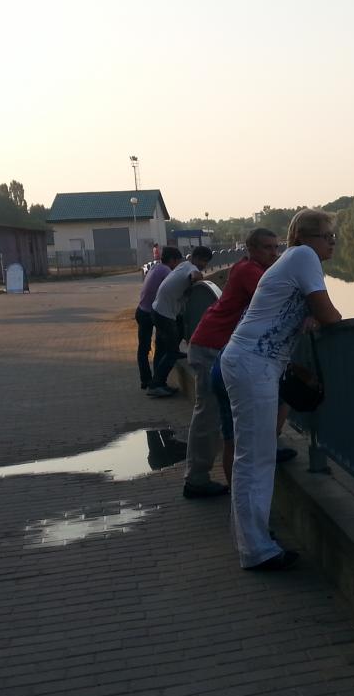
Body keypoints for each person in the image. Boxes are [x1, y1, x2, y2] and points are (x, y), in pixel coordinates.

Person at [220, 209, 342, 570]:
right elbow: (329, 314)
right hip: (254, 363)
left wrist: (307, 315)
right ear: (304, 237)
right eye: (327, 236)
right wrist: (323, 316)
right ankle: (256, 550)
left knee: (251, 456)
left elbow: (302, 308)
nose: (332, 243)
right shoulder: (303, 256)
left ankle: (250, 540)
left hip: (251, 361)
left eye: (333, 237)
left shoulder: (292, 258)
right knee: (255, 459)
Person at [181, 227, 280, 498]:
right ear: (251, 249)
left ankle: (267, 447)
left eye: (276, 247)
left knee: (217, 411)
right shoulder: (250, 270)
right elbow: (276, 299)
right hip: (210, 347)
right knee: (208, 415)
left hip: (217, 346)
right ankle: (195, 480)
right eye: (267, 248)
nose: (274, 253)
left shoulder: (250, 268)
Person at [147, 245, 212, 397]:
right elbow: (194, 276)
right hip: (164, 314)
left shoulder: (184, 265)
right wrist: (199, 278)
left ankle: (157, 382)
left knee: (163, 348)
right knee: (171, 352)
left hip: (158, 310)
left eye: (206, 262)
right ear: (195, 258)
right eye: (203, 261)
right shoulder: (191, 268)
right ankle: (156, 385)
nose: (204, 265)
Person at [135, 246, 183, 390]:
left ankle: (146, 380)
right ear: (172, 260)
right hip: (151, 313)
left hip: (141, 310)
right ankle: (157, 382)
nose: (178, 265)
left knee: (144, 348)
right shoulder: (167, 272)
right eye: (178, 262)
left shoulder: (156, 267)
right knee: (161, 346)